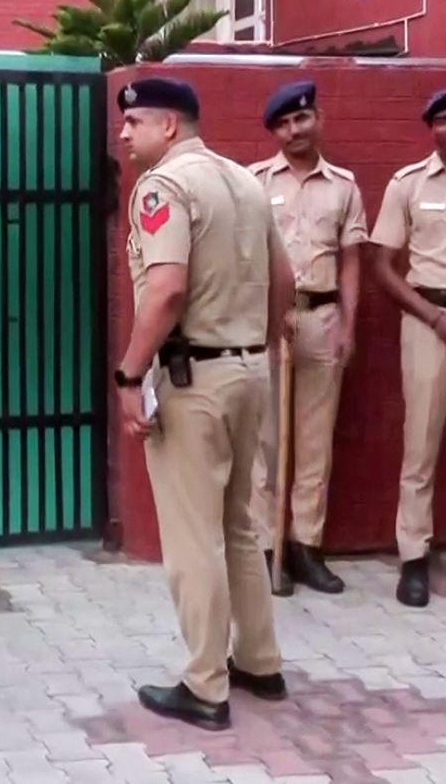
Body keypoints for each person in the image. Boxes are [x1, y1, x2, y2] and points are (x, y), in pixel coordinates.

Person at [114, 77, 292, 730]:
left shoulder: (162, 186)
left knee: (194, 539)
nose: (124, 133)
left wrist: (129, 375)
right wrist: (254, 347)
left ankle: (205, 685)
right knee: (240, 525)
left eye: (134, 122)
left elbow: (166, 290)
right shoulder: (247, 181)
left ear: (168, 126)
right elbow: (285, 281)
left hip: (194, 381)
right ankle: (260, 662)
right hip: (248, 371)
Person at [247, 81, 367, 598]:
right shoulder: (254, 182)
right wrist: (265, 313)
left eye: (302, 119)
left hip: (321, 318)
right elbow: (246, 255)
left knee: (316, 442)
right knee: (265, 441)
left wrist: (348, 326)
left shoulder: (344, 187)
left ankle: (306, 547)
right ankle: (267, 547)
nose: (294, 131)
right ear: (274, 132)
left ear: (318, 119)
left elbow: (351, 261)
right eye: (283, 124)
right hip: (270, 321)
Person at [370, 86, 446, 608]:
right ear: (432, 129)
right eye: (441, 121)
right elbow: (381, 265)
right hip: (428, 321)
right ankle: (414, 557)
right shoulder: (408, 184)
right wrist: (432, 315)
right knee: (420, 441)